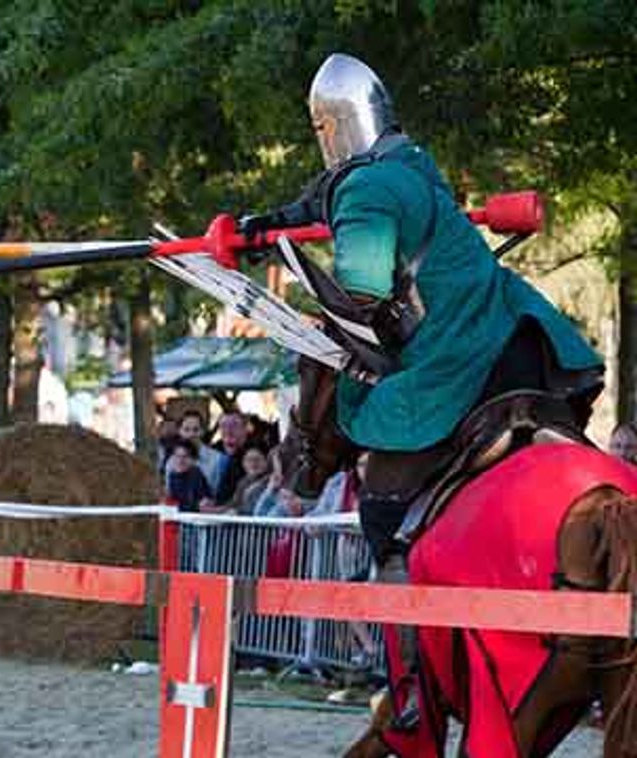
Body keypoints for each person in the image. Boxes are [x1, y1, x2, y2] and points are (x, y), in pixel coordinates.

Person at [240, 53, 604, 729]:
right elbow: (326, 197)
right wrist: (265, 227)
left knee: (382, 490)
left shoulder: (367, 191)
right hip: (519, 342)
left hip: (454, 354)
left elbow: (363, 292)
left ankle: (407, 683)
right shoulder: (410, 165)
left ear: (331, 126)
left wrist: (314, 316)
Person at [164, 442, 212, 513]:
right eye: (177, 456)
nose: (180, 461)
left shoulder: (196, 473)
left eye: (185, 457)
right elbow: (172, 501)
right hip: (179, 516)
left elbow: (205, 500)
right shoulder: (172, 475)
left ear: (192, 459)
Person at [225, 445, 272, 515]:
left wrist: (237, 512)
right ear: (243, 463)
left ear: (265, 462)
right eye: (249, 460)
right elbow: (233, 504)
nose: (253, 464)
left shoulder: (270, 481)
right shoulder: (242, 482)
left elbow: (253, 507)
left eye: (257, 460)